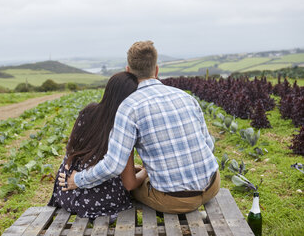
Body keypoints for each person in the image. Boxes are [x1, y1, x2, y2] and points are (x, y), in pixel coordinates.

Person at [59, 41, 220, 214]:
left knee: (127, 185)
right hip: (212, 185)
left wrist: (78, 180)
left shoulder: (129, 107)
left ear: (128, 71)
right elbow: (208, 145)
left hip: (176, 201)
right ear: (156, 70)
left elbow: (113, 166)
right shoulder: (186, 97)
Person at [48, 72, 148, 220]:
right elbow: (130, 183)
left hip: (66, 193)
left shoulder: (88, 111)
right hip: (100, 202)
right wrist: (146, 172)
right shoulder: (123, 125)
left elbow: (77, 153)